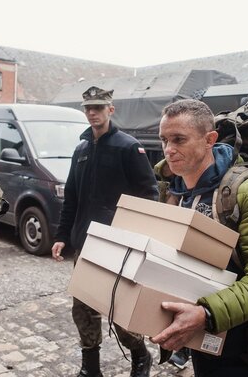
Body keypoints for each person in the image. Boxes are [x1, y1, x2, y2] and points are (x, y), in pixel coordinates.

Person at [149, 99, 248, 377]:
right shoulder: (173, 191)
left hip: (241, 342)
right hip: (196, 332)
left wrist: (206, 315)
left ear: (209, 140)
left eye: (179, 139)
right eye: (164, 139)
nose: (169, 150)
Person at [51, 86, 159, 377]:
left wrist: (133, 236)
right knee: (83, 308)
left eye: (98, 107)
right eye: (88, 108)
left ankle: (140, 356)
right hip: (85, 243)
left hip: (116, 245)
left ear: (111, 109)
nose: (92, 113)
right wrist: (62, 236)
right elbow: (71, 197)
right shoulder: (81, 149)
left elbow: (149, 195)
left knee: (117, 308)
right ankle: (90, 368)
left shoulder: (128, 147)